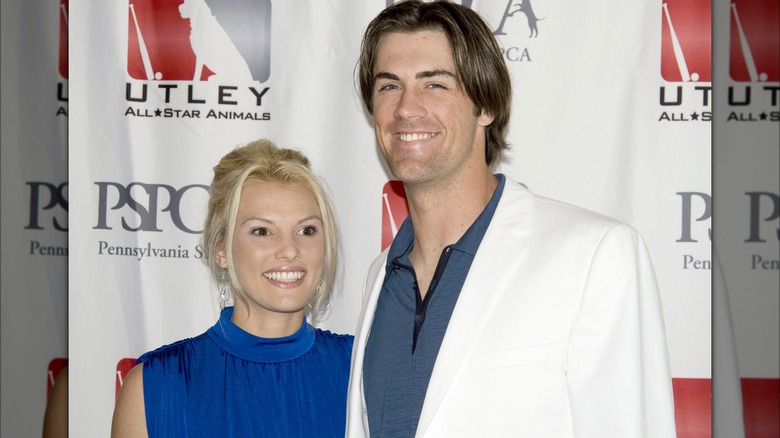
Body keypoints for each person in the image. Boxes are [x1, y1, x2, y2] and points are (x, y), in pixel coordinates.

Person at [346, 1, 677, 437]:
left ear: (486, 106)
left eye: (435, 85)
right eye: (389, 86)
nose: (407, 108)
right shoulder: (380, 278)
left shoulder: (595, 255)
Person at [111, 139, 353, 437]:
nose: (290, 250)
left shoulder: (363, 370)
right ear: (220, 249)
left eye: (307, 230)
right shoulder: (155, 386)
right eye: (262, 231)